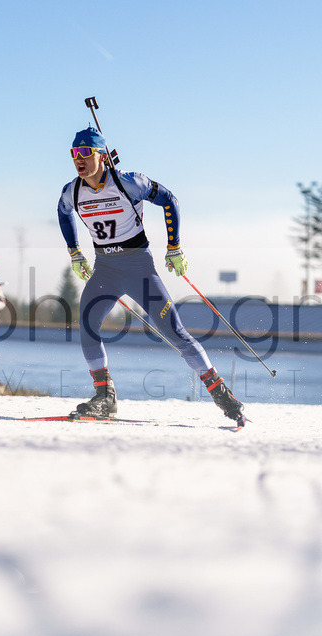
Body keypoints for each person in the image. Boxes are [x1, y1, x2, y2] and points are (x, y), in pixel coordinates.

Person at [56, 126, 245, 425]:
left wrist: (174, 247)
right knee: (86, 323)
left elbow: (170, 200)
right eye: (73, 153)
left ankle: (220, 391)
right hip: (105, 268)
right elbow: (63, 211)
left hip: (137, 267)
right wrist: (74, 252)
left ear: (102, 156)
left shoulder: (130, 182)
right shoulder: (73, 191)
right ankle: (105, 397)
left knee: (174, 331)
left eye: (85, 153)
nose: (78, 159)